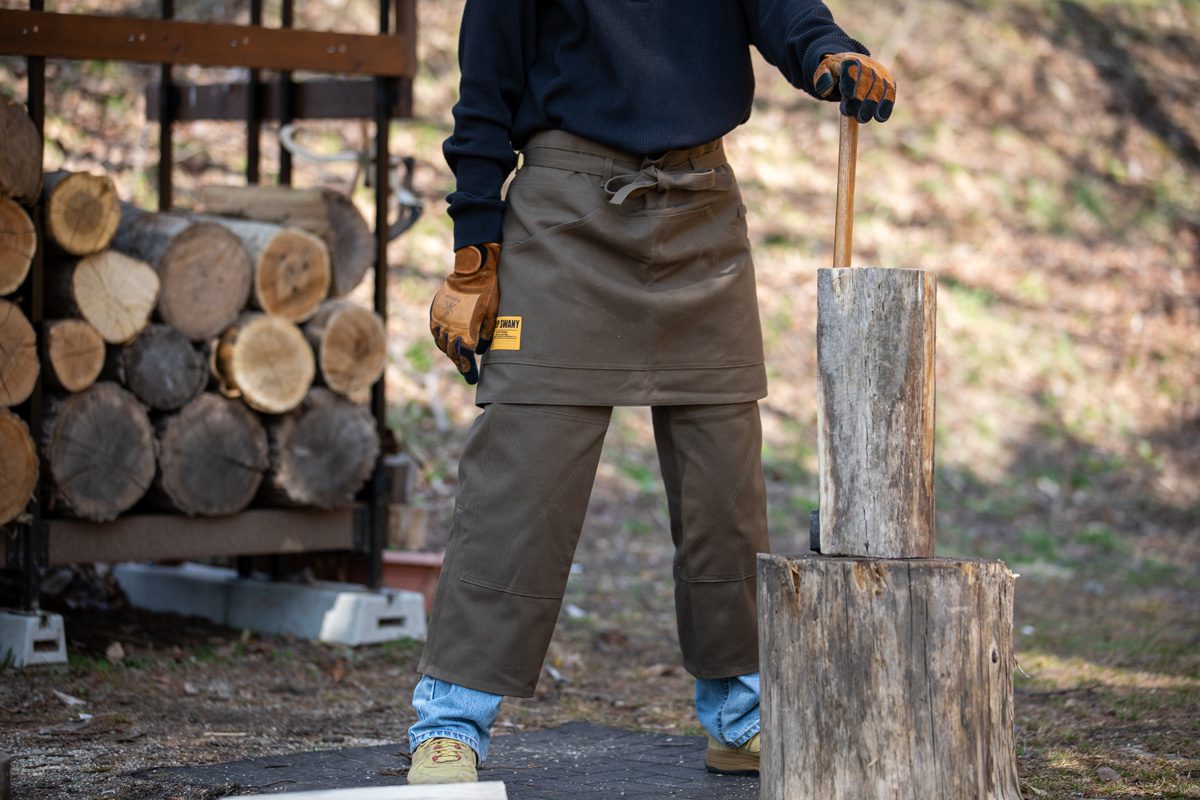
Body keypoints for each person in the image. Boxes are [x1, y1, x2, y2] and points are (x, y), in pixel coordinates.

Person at [409, 0, 896, 785]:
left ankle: (742, 714)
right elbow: (484, 101)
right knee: (520, 478)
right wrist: (475, 256)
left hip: (701, 213)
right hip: (563, 218)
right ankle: (449, 723)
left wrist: (829, 53)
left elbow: (785, 12)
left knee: (724, 489)